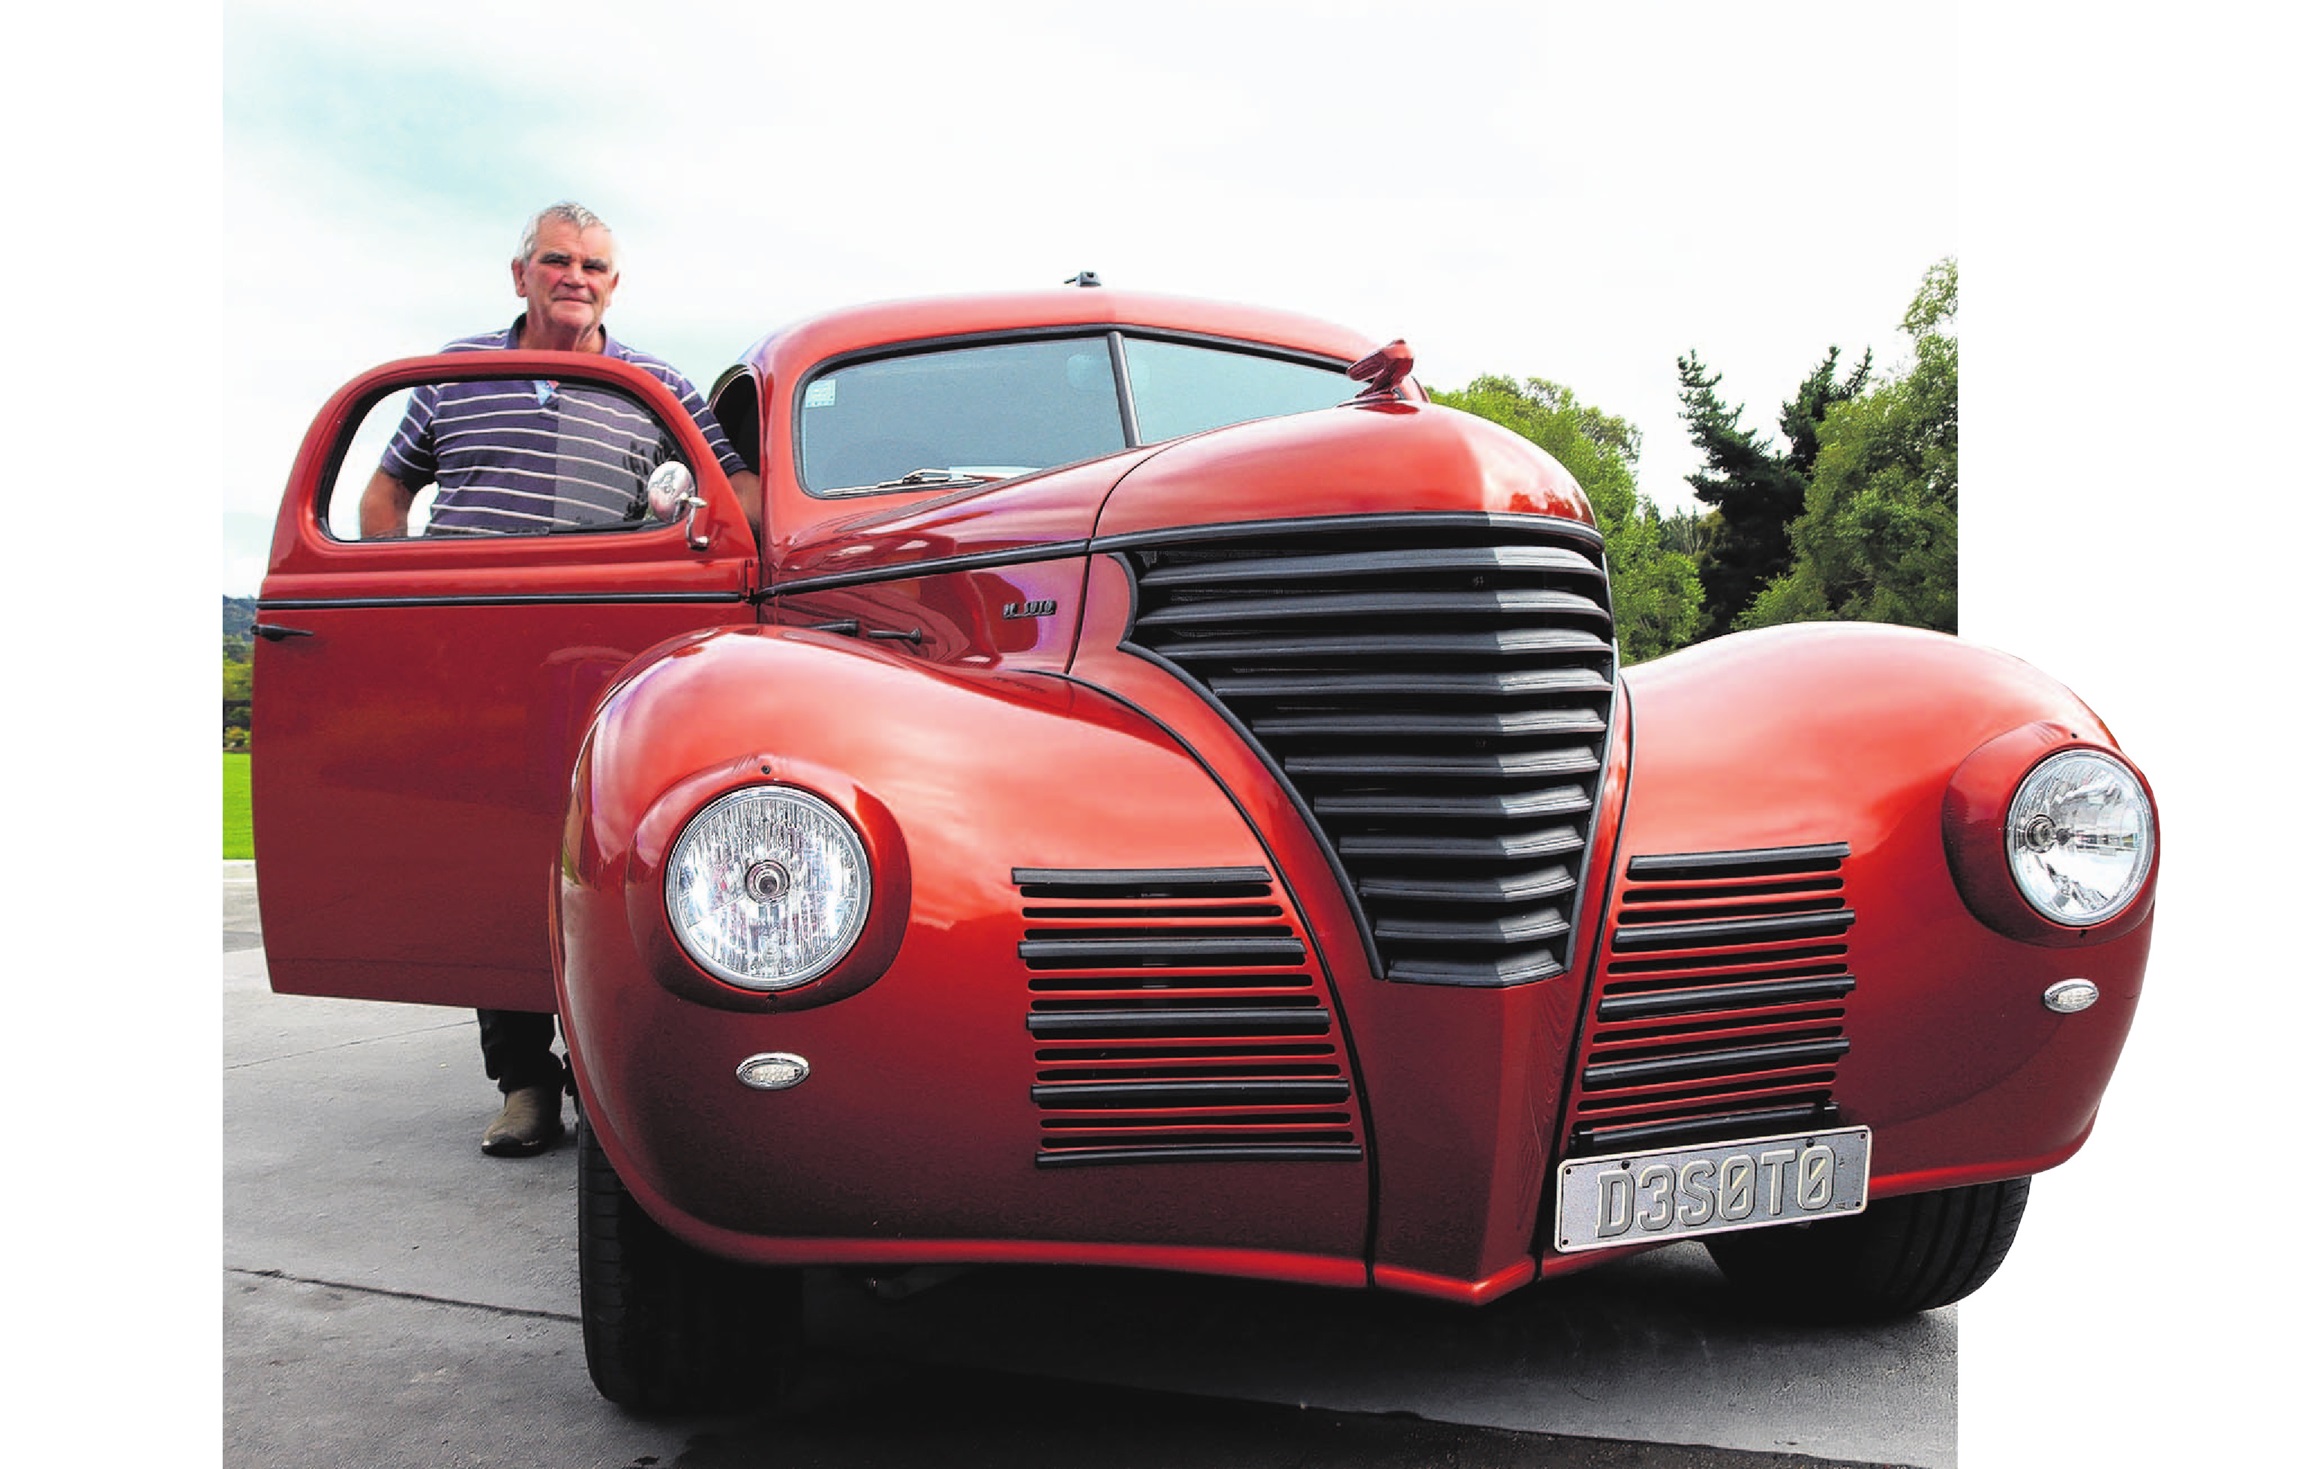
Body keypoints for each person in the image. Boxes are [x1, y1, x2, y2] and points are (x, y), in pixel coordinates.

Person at [362, 202, 761, 1156]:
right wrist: (409, 594)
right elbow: (385, 494)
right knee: (493, 853)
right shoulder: (455, 376)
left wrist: (678, 532)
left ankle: (603, 1079)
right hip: (478, 652)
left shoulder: (653, 383)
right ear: (520, 275)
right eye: (556, 260)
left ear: (613, 285)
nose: (574, 276)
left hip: (605, 651)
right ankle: (524, 1083)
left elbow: (737, 487)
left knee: (601, 850)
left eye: (593, 265)